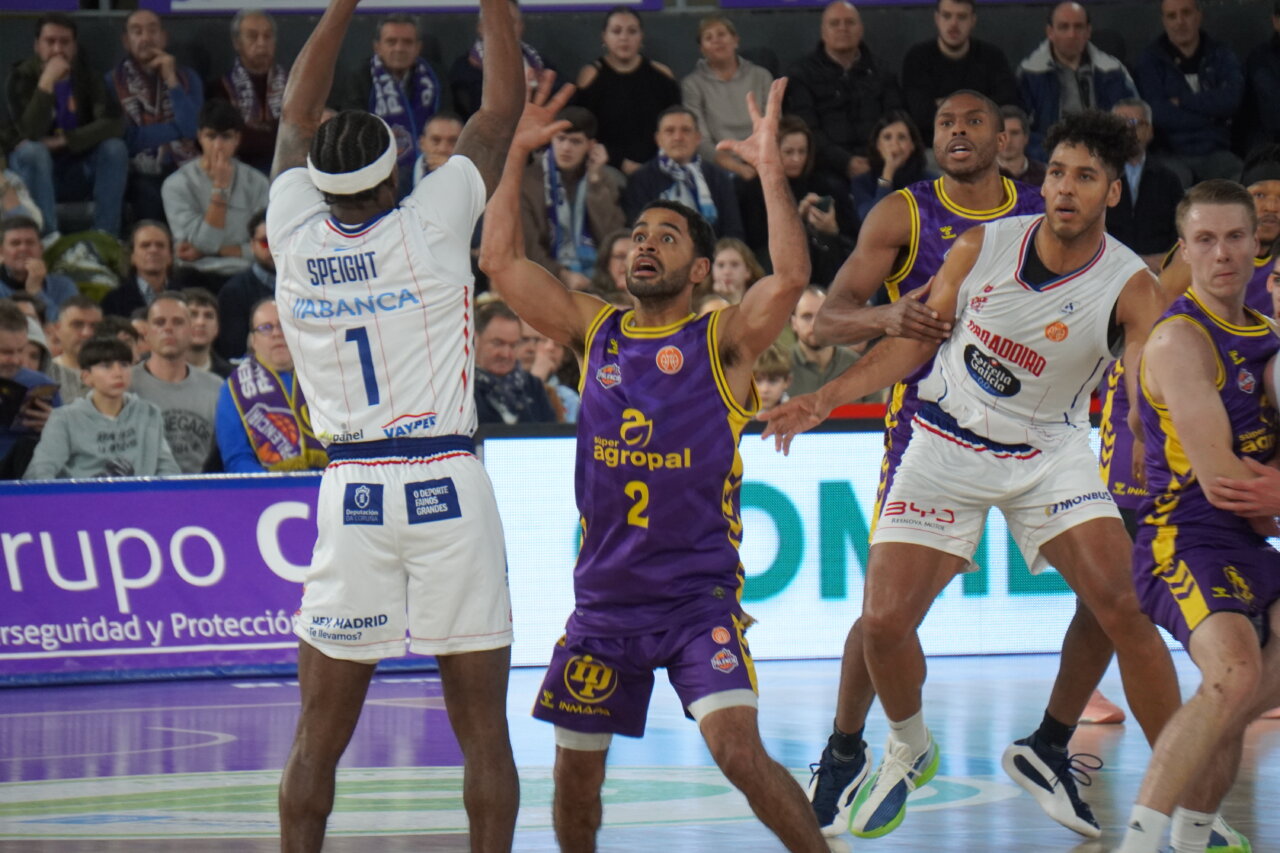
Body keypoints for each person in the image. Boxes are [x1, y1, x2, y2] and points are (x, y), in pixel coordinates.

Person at [762, 109, 1183, 841]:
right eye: (1056, 172)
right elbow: (907, 346)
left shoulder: (1130, 283)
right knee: (885, 622)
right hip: (945, 439)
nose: (1065, 188)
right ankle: (910, 743)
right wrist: (824, 399)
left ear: (1113, 193)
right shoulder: (980, 245)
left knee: (1125, 604)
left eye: (1085, 177)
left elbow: (1147, 369)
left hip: (1051, 453)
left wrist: (1147, 426)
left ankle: (1173, 803)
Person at [481, 70, 830, 852]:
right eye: (639, 235)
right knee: (574, 787)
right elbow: (500, 262)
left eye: (666, 237)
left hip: (694, 601)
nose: (645, 244)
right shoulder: (592, 331)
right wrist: (513, 157)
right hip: (603, 606)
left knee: (739, 751)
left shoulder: (723, 340)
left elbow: (793, 278)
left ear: (700, 269)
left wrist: (771, 171)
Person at [267, 0, 525, 847]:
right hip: (448, 477)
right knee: (483, 731)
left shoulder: (293, 232)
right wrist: (498, 11)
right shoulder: (433, 218)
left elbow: (297, 116)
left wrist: (340, 5)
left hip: (353, 491)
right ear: (395, 170)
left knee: (318, 734)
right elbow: (498, 112)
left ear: (319, 184)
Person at [1116, 180, 1280, 853]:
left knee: (1231, 695)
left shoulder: (1268, 338)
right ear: (1184, 249)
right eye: (1206, 240)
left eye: (1235, 237)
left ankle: (1192, 838)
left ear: (1256, 242)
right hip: (1183, 534)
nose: (1223, 252)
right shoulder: (1179, 340)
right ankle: (1139, 841)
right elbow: (1223, 481)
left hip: (1246, 540)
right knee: (1233, 676)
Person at [5, 13, 128, 238]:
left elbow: (114, 123)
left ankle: (105, 237)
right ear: (37, 45)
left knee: (114, 148)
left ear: (75, 46)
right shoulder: (20, 78)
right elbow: (30, 133)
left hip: (76, 167)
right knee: (34, 151)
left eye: (65, 42)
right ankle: (48, 240)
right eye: (50, 41)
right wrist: (46, 83)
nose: (58, 49)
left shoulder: (88, 77)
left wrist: (65, 140)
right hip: (32, 169)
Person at [24, 335, 178, 480]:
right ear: (86, 377)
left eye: (124, 365)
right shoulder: (64, 419)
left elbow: (167, 468)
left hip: (141, 502)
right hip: (83, 504)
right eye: (106, 366)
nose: (118, 373)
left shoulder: (149, 414)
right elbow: (40, 471)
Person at [784, 1, 902, 181]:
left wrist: (878, 159)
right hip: (825, 169)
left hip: (881, 164)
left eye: (849, 22)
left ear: (861, 29)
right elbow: (806, 129)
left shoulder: (883, 72)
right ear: (823, 32)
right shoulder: (801, 75)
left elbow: (895, 120)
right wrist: (845, 162)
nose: (842, 28)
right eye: (834, 23)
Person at [107, 9, 203, 224]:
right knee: (145, 190)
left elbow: (195, 129)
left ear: (164, 37)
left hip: (185, 165)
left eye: (152, 30)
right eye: (137, 32)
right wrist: (176, 129)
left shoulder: (187, 78)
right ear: (126, 41)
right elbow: (128, 138)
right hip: (138, 169)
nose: (146, 38)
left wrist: (171, 80)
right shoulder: (113, 82)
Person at [1135, 0, 1244, 188]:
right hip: (1169, 154)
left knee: (1242, 182)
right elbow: (1158, 113)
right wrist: (1213, 117)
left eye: (1186, 13)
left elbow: (1231, 100)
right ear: (1164, 21)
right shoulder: (1150, 61)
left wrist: (1183, 101)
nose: (1179, 22)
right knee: (1170, 185)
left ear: (1198, 16)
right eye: (1172, 16)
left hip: (1216, 152)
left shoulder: (1221, 55)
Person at [739, 116, 858, 288]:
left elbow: (853, 235)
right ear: (773, 151)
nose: (796, 159)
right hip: (773, 268)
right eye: (789, 152)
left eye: (802, 151)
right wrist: (797, 220)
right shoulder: (754, 190)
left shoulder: (826, 186)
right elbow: (756, 242)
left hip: (824, 265)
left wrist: (832, 230)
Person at [162, 100, 270, 288]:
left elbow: (266, 247)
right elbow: (203, 243)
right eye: (211, 137)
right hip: (196, 272)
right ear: (200, 137)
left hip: (244, 273)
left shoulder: (258, 182)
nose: (218, 146)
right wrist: (220, 188)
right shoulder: (176, 185)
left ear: (237, 139)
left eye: (226, 137)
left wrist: (212, 251)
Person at [519, 106, 625, 291]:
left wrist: (596, 183)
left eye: (576, 142)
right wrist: (562, 275)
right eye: (560, 139)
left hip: (600, 280)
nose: (566, 148)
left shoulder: (606, 178)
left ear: (591, 146)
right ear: (550, 139)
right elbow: (527, 247)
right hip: (545, 278)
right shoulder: (527, 181)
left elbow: (613, 237)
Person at [215, 299, 325, 473]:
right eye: (266, 328)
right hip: (267, 490)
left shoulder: (325, 375)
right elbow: (237, 458)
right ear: (253, 340)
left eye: (283, 326)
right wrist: (275, 487)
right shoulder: (233, 388)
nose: (276, 334)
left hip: (330, 481)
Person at [1017, 2, 1138, 161]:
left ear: (1088, 31)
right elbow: (1020, 130)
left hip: (1105, 157)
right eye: (1064, 27)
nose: (1071, 34)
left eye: (1078, 27)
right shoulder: (1030, 73)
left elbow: (1135, 116)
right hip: (1050, 159)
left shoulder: (1112, 70)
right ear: (1050, 32)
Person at [339, 14, 442, 197]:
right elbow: (353, 132)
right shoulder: (360, 79)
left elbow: (448, 121)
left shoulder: (436, 78)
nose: (399, 48)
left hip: (430, 171)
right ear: (377, 47)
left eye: (407, 42)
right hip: (376, 177)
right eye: (391, 41)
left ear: (418, 47)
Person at [571, 6, 681, 175]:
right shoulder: (590, 76)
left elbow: (677, 126)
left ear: (641, 36)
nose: (624, 38)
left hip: (660, 165)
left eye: (632, 31)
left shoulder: (662, 75)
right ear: (604, 37)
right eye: (616, 31)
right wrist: (621, 163)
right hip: (608, 167)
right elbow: (584, 132)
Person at [900, 0, 1018, 149]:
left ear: (973, 20)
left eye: (961, 17)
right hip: (932, 150)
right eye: (947, 16)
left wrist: (943, 105)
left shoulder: (992, 57)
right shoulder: (917, 58)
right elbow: (920, 116)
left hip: (982, 148)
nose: (954, 24)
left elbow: (1007, 104)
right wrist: (977, 110)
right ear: (937, 18)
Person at [129, 293, 222, 474]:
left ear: (191, 331)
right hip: (138, 493)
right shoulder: (125, 384)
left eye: (178, 322)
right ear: (146, 333)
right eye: (159, 322)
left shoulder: (216, 388)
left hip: (196, 494)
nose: (168, 329)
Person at [622, 106, 745, 240]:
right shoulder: (640, 180)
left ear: (698, 137)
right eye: (670, 131)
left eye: (686, 130)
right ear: (658, 139)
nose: (678, 137)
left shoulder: (718, 177)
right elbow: (638, 233)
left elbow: (733, 232)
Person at [680, 14, 773, 182]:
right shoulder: (692, 84)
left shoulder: (761, 76)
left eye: (722, 34)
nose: (717, 40)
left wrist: (760, 161)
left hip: (763, 156)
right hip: (719, 164)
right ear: (702, 49)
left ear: (735, 40)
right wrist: (737, 168)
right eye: (708, 37)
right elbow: (700, 140)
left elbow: (774, 125)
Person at [1105, 98, 1184, 274]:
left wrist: (1166, 260)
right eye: (1119, 123)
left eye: (1133, 123)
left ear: (1149, 130)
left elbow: (1179, 232)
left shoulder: (1168, 179)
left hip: (1159, 271)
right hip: (1108, 271)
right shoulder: (1100, 176)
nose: (1126, 130)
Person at [210, 10, 285, 175]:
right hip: (238, 171)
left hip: (287, 168)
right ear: (237, 42)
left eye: (268, 36)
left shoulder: (292, 84)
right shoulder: (220, 88)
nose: (261, 43)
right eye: (252, 36)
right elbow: (230, 139)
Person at [449, 0, 549, 120]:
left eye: (511, 22)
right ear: (481, 28)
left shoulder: (540, 63)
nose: (505, 29)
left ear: (521, 27)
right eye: (497, 22)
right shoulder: (464, 69)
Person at [0, 300, 59, 478]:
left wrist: (56, 427)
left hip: (26, 477)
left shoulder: (39, 384)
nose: (18, 360)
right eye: (6, 352)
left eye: (21, 350)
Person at [474, 300, 557, 425]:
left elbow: (551, 437)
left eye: (513, 345)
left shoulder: (532, 386)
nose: (506, 354)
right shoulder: (461, 388)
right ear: (475, 340)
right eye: (498, 343)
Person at [788, 285, 875, 401]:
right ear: (793, 323)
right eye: (807, 316)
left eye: (822, 316)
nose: (815, 324)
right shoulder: (777, 368)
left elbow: (878, 416)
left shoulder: (859, 366)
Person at [851, 111, 933, 219]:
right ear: (877, 145)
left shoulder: (931, 181)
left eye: (902, 137)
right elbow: (872, 221)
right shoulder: (862, 183)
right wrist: (888, 173)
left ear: (913, 145)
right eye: (887, 137)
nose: (894, 144)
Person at [216, 209, 274, 359]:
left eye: (279, 240)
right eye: (265, 242)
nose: (274, 248)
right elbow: (233, 352)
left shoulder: (308, 284)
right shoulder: (233, 292)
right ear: (252, 245)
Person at [0, 216, 78, 320]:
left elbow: (69, 328)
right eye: (15, 243)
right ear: (1, 252)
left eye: (30, 242)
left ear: (41, 249)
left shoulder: (64, 286)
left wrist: (36, 292)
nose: (23, 248)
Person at [102, 220, 176, 319]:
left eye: (160, 245)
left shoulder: (187, 296)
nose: (153, 250)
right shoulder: (113, 301)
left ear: (170, 256)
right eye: (145, 245)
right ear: (132, 257)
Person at [44, 294, 101, 402]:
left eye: (94, 326)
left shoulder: (121, 373)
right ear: (57, 329)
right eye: (77, 325)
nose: (87, 333)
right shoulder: (46, 374)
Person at [183, 287, 233, 378]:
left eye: (209, 316)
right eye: (193, 314)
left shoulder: (231, 377)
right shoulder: (153, 372)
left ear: (217, 327)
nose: (201, 322)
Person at [996, 104, 1047, 188]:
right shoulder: (981, 176)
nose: (1008, 140)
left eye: (1014, 133)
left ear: (1026, 138)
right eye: (1002, 134)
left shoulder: (1044, 175)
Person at [413, 112, 463, 186]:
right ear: (422, 144)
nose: (443, 149)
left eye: (453, 141)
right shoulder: (401, 180)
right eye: (436, 140)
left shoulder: (476, 179)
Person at [711, 237, 765, 304]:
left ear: (748, 271)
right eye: (720, 265)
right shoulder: (698, 301)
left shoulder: (762, 301)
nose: (727, 272)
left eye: (734, 265)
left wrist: (735, 300)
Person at [589, 227, 632, 296]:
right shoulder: (592, 299)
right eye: (620, 256)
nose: (627, 263)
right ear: (606, 262)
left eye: (633, 257)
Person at [753, 343, 792, 415]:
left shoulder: (796, 415)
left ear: (787, 381)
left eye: (773, 381)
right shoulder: (732, 417)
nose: (765, 389)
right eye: (757, 380)